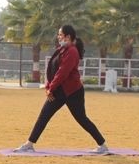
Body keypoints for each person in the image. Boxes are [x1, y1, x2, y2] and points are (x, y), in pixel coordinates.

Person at [14, 25, 108, 154]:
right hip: (59, 91)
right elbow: (52, 69)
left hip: (72, 92)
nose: (58, 37)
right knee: (44, 116)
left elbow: (62, 72)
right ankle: (29, 144)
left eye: (60, 35)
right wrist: (48, 87)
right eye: (58, 35)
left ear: (68, 36)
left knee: (82, 119)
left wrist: (51, 88)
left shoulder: (72, 51)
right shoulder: (62, 49)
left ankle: (102, 145)